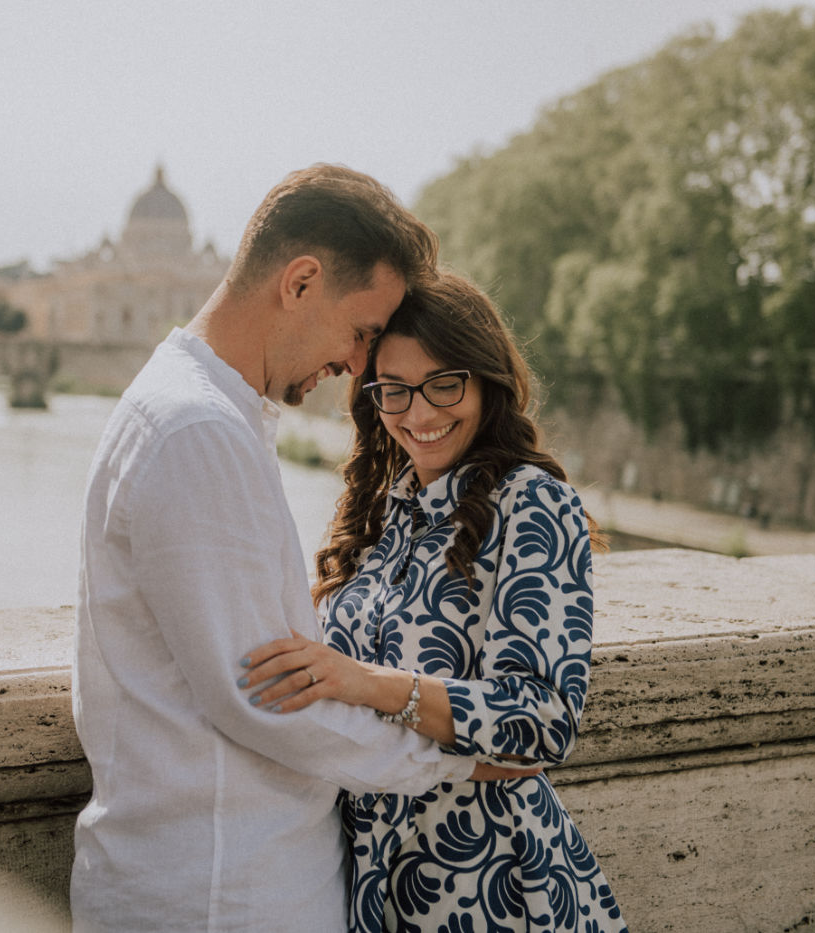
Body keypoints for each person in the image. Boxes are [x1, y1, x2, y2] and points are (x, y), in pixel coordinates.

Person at [71, 165, 526, 933]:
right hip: (225, 893)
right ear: (301, 282)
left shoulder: (190, 408)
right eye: (362, 333)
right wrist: (460, 760)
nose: (360, 366)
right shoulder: (200, 432)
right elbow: (266, 700)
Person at [239, 272, 629, 932]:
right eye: (394, 390)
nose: (419, 414)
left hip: (492, 888)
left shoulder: (532, 504)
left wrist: (373, 685)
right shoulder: (378, 508)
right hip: (369, 883)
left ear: (485, 379)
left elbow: (546, 719)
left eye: (444, 383)